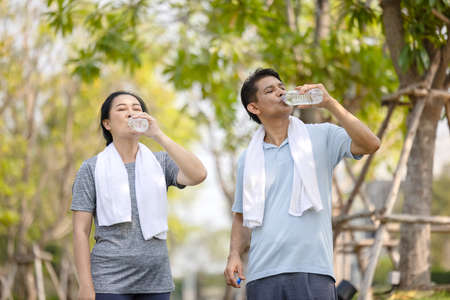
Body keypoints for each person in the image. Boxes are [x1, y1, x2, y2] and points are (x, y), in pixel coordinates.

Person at [224, 68, 380, 300]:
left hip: (313, 271)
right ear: (254, 108)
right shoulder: (248, 158)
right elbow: (241, 215)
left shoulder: (321, 136)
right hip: (262, 274)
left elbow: (371, 144)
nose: (280, 92)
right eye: (270, 90)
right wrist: (234, 254)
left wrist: (330, 104)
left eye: (281, 87)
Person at [71, 91, 207, 300]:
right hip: (108, 281)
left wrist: (158, 135)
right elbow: (80, 232)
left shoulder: (159, 162)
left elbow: (198, 174)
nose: (131, 113)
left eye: (136, 108)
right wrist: (85, 286)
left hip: (156, 280)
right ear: (107, 124)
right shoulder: (91, 168)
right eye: (122, 108)